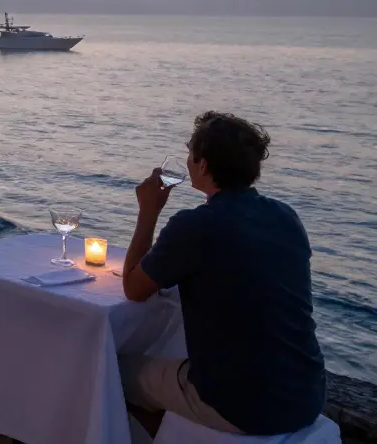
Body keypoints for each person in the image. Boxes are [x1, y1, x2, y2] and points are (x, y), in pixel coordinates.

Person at [120, 111, 326, 437]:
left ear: (202, 166)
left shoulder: (195, 226)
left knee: (111, 370)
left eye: (190, 153)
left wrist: (149, 210)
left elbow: (133, 287)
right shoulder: (286, 216)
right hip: (307, 393)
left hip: (241, 404)